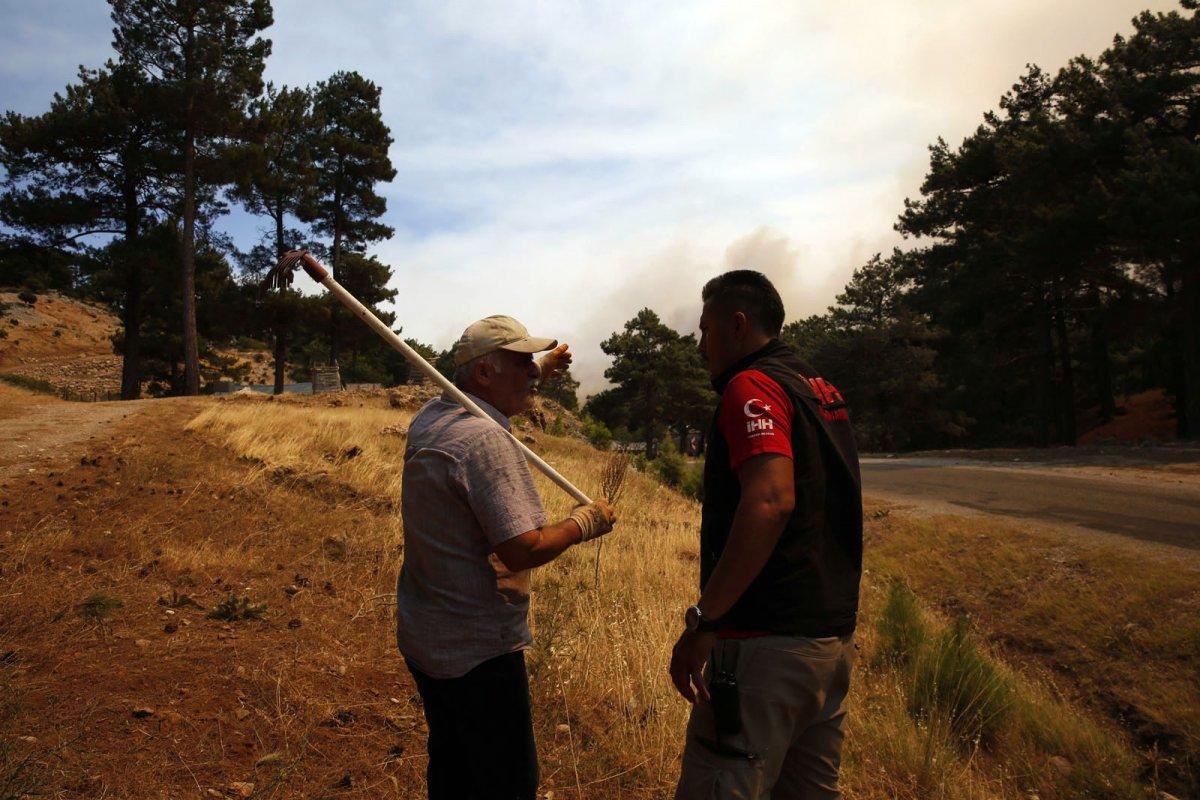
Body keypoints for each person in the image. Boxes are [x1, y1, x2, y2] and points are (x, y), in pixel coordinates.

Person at [396, 314, 618, 800]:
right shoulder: (484, 442)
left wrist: (540, 368)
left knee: (453, 763)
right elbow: (522, 549)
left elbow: (499, 392)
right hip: (478, 649)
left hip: (428, 632)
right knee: (507, 782)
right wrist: (584, 523)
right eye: (522, 363)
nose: (532, 372)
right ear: (483, 373)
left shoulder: (434, 414)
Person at [671, 271, 863, 799]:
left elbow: (771, 501)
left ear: (737, 325)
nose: (701, 346)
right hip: (829, 643)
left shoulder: (751, 386)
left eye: (705, 330)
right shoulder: (818, 387)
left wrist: (706, 620)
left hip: (764, 648)